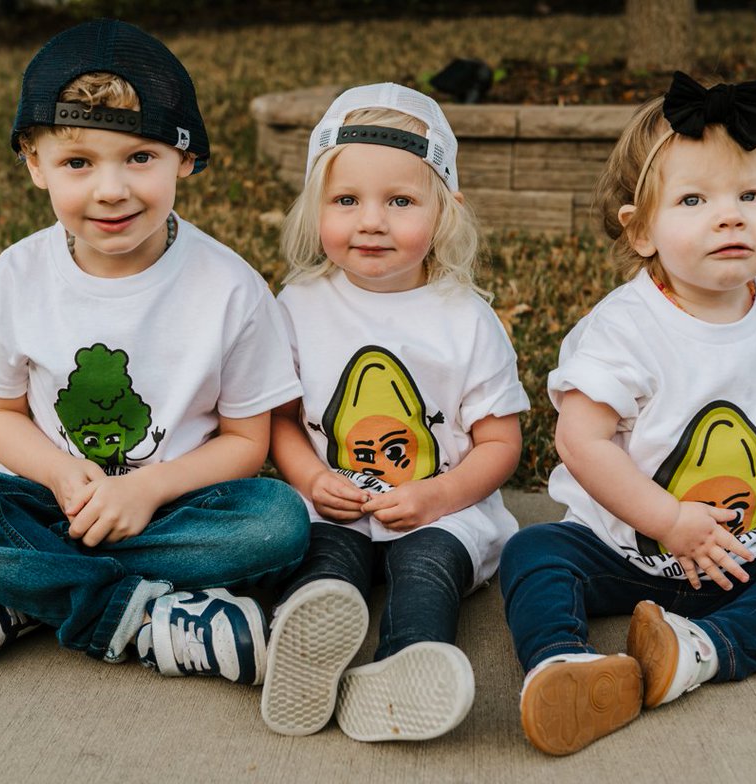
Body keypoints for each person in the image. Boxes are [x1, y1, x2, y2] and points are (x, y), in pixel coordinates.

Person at [0, 19, 309, 686]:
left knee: (276, 525)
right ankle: (134, 618)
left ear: (185, 158)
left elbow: (247, 441)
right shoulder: (17, 277)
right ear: (34, 164)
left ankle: (23, 590)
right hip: (52, 500)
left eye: (140, 157)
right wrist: (57, 473)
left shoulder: (229, 288)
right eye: (78, 163)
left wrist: (147, 488)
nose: (111, 188)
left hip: (175, 507)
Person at [498, 72, 756, 756]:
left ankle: (698, 650)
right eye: (694, 199)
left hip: (736, 550)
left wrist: (734, 526)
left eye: (750, 195)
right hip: (622, 546)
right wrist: (668, 520)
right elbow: (580, 441)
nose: (729, 215)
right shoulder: (623, 329)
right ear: (641, 233)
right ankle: (562, 663)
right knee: (535, 552)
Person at [258, 83, 529, 742]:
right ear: (315, 207)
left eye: (400, 201)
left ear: (444, 210)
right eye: (346, 200)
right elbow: (284, 421)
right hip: (339, 502)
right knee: (323, 566)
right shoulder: (297, 303)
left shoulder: (464, 319)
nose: (370, 220)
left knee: (427, 570)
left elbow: (500, 443)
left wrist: (438, 496)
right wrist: (308, 479)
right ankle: (302, 659)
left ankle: (403, 667)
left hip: (442, 509)